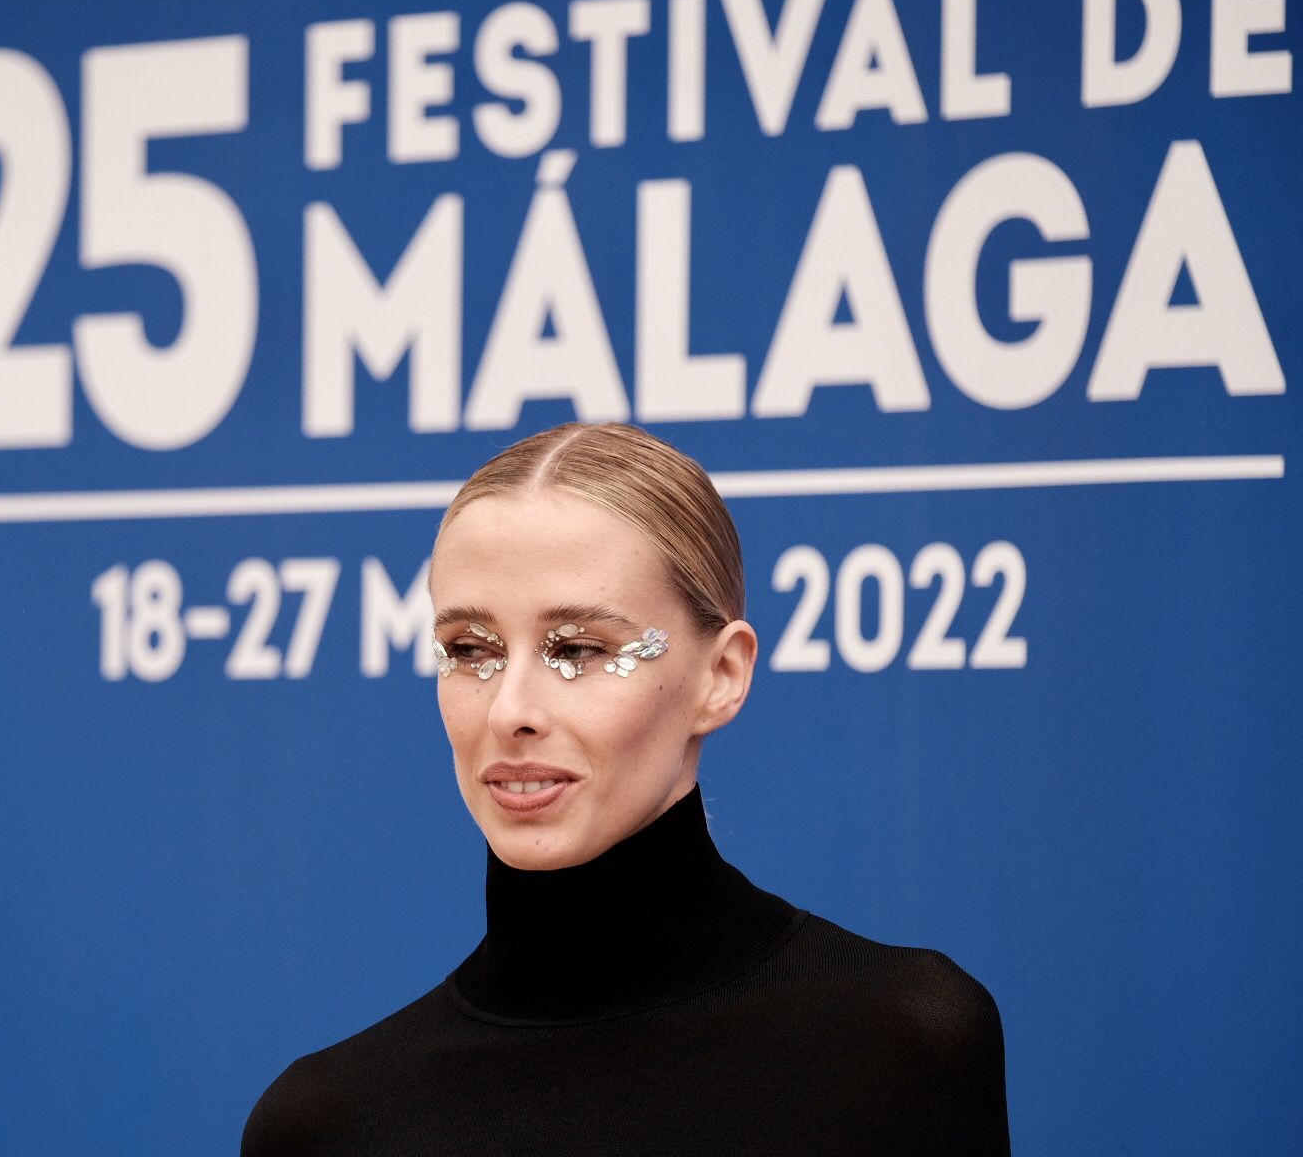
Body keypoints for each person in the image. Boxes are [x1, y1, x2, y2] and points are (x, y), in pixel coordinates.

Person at [241, 422, 1010, 1155]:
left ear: (722, 675)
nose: (510, 711)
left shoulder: (901, 1039)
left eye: (576, 649)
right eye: (469, 649)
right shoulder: (324, 1122)